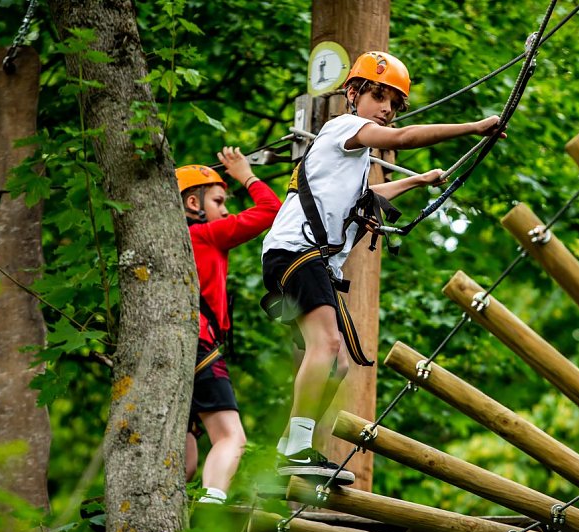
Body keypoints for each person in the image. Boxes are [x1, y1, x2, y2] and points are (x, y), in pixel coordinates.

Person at [261, 51, 505, 483]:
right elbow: (406, 137)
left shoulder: (351, 161)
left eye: (395, 102)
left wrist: (417, 180)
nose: (387, 109)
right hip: (297, 254)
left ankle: (291, 444)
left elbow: (368, 197)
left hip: (300, 259)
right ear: (352, 93)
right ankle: (296, 449)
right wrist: (474, 127)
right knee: (327, 347)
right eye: (379, 96)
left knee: (335, 363)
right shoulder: (344, 127)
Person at [177, 147, 281, 503]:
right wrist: (245, 173)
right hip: (201, 347)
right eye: (219, 201)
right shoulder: (206, 234)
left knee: (184, 461)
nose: (225, 211)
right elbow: (270, 211)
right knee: (230, 437)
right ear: (193, 203)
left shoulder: (176, 243)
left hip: (177, 352)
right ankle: (212, 503)